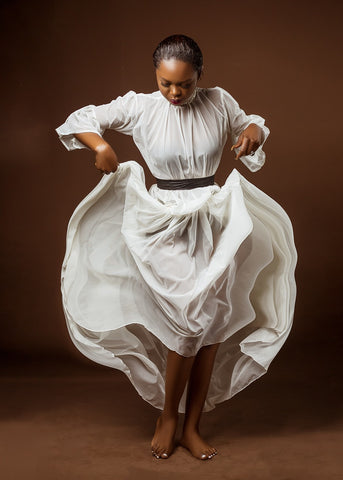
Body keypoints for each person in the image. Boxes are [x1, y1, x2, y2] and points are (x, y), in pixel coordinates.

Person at [56, 34, 297, 461]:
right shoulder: (141, 106)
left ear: (199, 77)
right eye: (166, 83)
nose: (174, 94)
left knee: (210, 324)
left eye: (184, 85)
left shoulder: (218, 101)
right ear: (156, 77)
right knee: (187, 321)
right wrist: (102, 145)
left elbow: (248, 121)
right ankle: (168, 416)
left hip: (213, 217)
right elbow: (82, 119)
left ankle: (192, 425)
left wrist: (253, 132)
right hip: (164, 221)